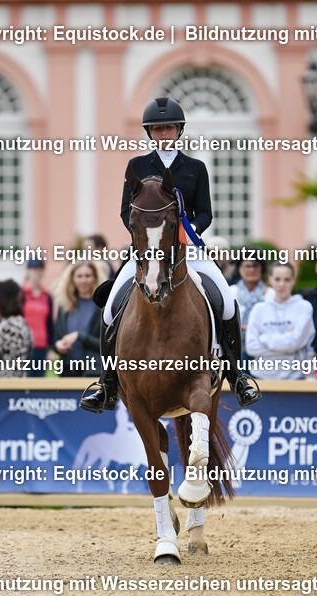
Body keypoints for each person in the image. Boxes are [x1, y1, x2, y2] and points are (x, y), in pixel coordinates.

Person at [80, 96, 261, 411]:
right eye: (159, 129)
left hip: (188, 249)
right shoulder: (137, 166)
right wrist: (146, 238)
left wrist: (189, 231)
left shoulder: (195, 168)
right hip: (147, 252)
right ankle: (107, 383)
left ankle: (236, 375)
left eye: (170, 128)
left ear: (179, 130)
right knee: (110, 307)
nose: (165, 134)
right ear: (151, 133)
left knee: (228, 303)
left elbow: (205, 213)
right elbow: (127, 212)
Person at [245, 263, 316, 380]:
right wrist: (288, 344)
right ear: (270, 280)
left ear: (293, 280)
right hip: (261, 378)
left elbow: (296, 343)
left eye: (287, 280)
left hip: (295, 380)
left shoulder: (304, 307)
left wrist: (265, 338)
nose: (282, 284)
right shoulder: (259, 309)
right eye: (277, 279)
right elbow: (251, 347)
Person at [54, 260, 105, 377]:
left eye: (88, 276)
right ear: (72, 279)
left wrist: (79, 337)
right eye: (79, 276)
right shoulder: (64, 306)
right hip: (67, 371)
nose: (83, 280)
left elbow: (106, 345)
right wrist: (58, 346)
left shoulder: (103, 306)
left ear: (95, 278)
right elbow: (57, 338)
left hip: (93, 372)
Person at [22, 259, 55, 378]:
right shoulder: (21, 294)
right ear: (28, 271)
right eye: (34, 268)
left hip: (42, 347)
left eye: (40, 268)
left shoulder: (46, 296)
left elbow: (50, 324)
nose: (38, 272)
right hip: (24, 346)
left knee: (40, 382)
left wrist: (51, 349)